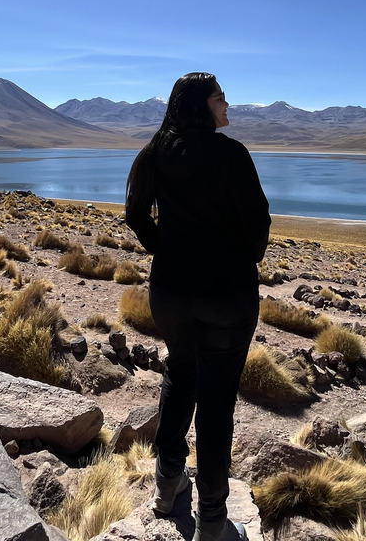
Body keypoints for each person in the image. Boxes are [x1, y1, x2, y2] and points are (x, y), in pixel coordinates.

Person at [124, 72, 271, 541]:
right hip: (226, 296)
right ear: (199, 105)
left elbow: (134, 213)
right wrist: (240, 257)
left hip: (170, 293)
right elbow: (257, 224)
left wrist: (166, 250)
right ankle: (211, 521)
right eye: (220, 98)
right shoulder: (231, 155)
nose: (228, 105)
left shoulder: (155, 153)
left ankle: (167, 487)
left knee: (179, 374)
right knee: (215, 401)